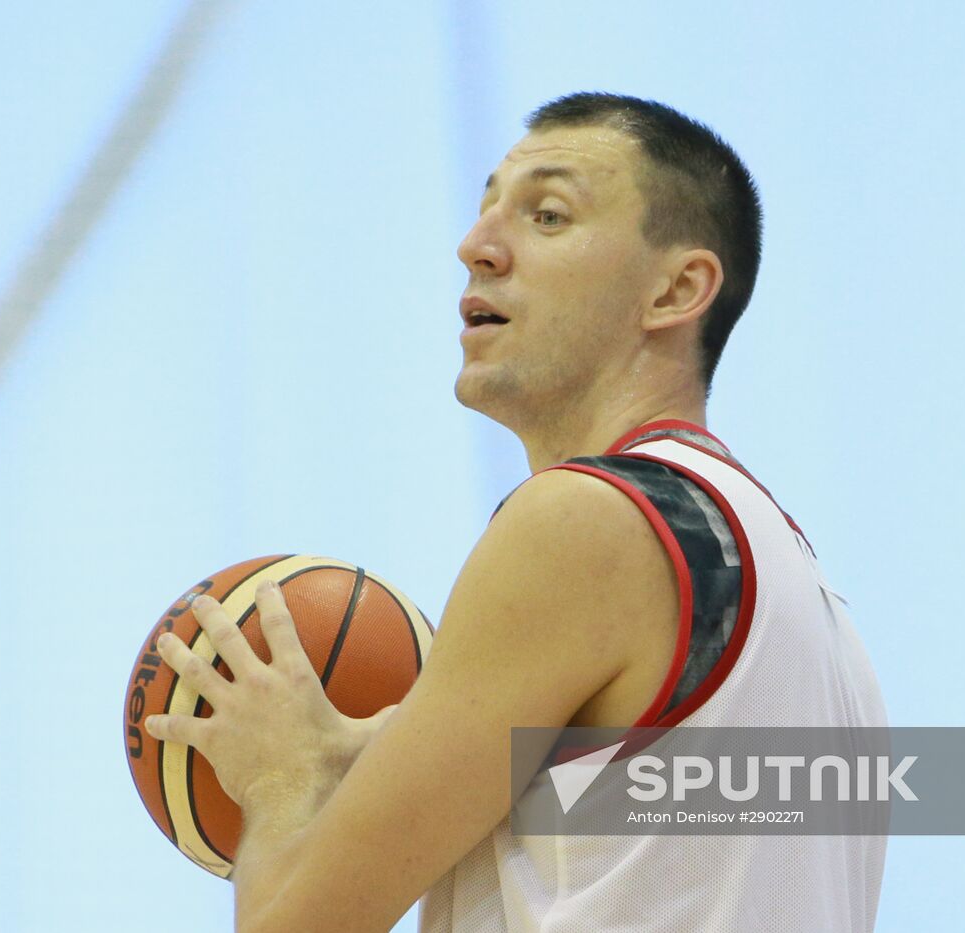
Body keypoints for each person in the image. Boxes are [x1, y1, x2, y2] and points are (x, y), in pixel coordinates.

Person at [145, 91, 886, 932]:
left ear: (677, 288)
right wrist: (386, 748)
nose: (477, 247)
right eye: (486, 208)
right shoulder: (800, 585)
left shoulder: (582, 523)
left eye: (548, 214)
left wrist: (276, 780)